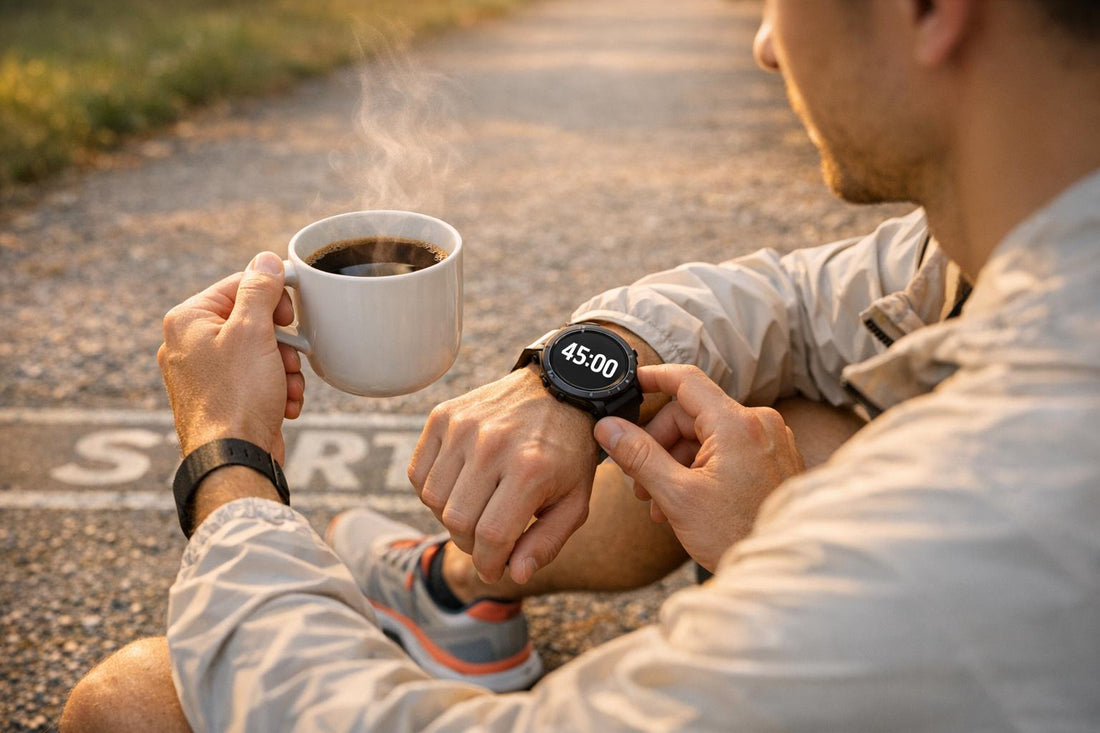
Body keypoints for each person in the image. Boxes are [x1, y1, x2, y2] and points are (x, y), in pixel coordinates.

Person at [62, 0, 1100, 730]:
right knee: (758, 406)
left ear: (926, 7)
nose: (762, 47)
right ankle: (453, 586)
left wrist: (227, 462)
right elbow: (790, 296)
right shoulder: (1019, 246)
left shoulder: (968, 519)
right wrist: (569, 376)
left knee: (134, 700)